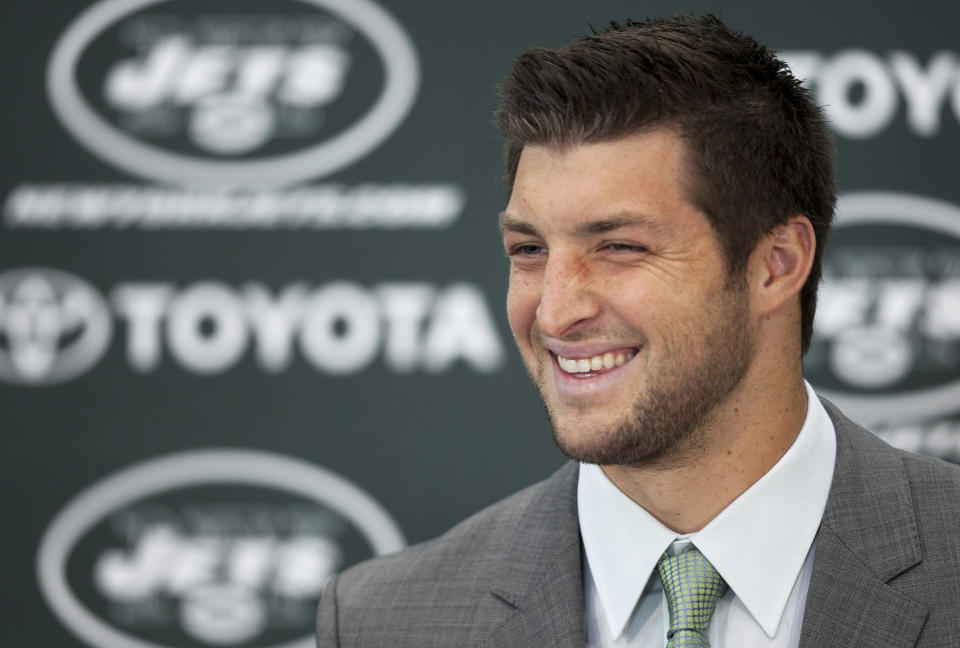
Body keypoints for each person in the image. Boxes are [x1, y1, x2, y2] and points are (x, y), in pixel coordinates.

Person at [316, 15, 960, 647]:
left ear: (776, 264)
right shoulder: (386, 621)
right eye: (529, 250)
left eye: (620, 247)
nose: (555, 312)